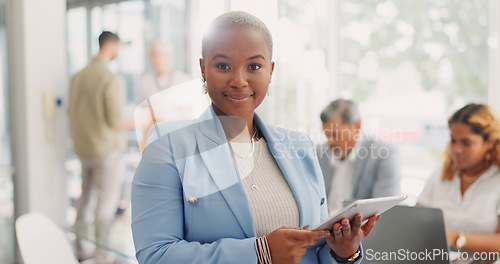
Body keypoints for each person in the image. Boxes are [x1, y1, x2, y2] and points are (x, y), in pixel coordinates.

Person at [131, 11, 380, 264]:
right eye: (223, 66)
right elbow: (155, 254)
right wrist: (260, 253)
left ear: (270, 71)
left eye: (254, 66)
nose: (239, 81)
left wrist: (344, 251)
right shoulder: (167, 145)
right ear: (203, 69)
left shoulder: (299, 147)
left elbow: (315, 251)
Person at [68, 31, 127, 263]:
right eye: (118, 47)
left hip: (85, 150)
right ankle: (103, 256)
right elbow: (115, 120)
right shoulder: (110, 78)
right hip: (107, 152)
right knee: (106, 205)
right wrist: (144, 118)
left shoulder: (78, 76)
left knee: (85, 200)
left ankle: (81, 250)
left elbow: (72, 112)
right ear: (112, 46)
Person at [418, 103, 500, 254]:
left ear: (489, 142)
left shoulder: (497, 179)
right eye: (453, 140)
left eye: (466, 143)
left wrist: (457, 238)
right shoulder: (442, 172)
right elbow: (416, 217)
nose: (456, 150)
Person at [316, 99, 401, 215]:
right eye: (326, 135)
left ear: (357, 126)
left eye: (336, 135)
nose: (329, 142)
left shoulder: (384, 154)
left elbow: (386, 211)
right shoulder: (319, 153)